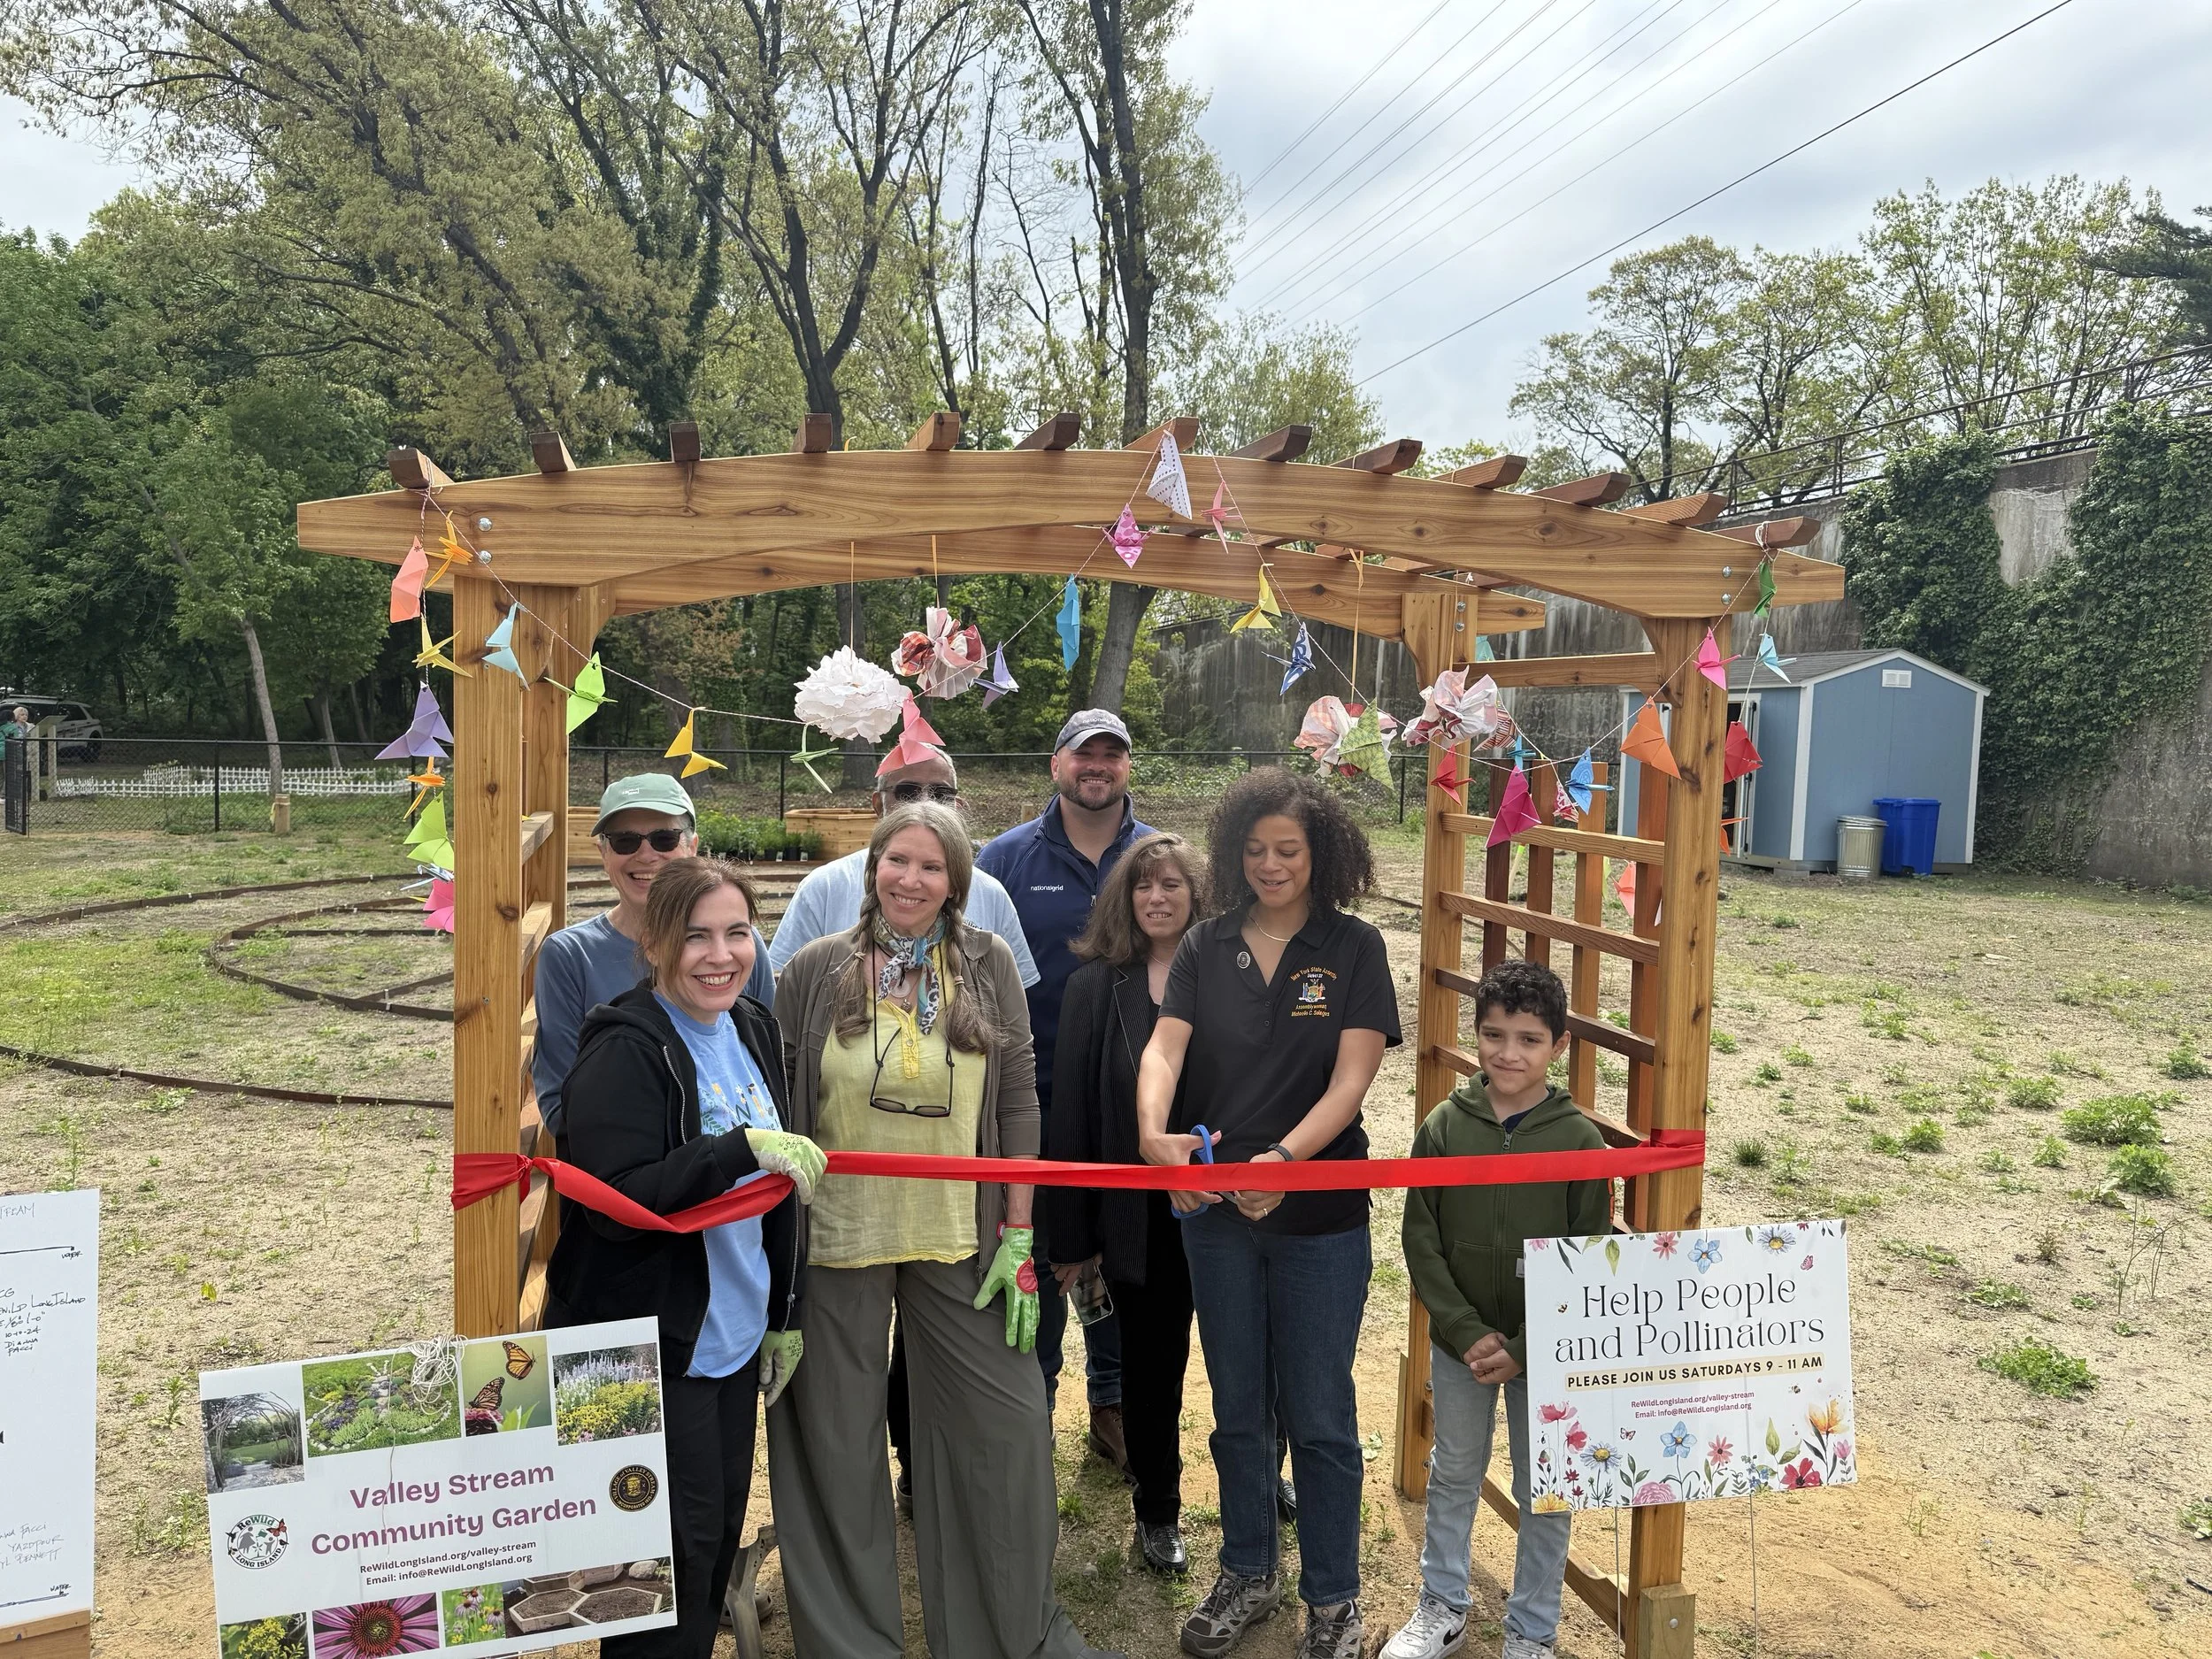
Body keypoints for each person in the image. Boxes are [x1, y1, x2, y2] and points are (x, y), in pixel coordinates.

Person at [767, 803, 1122, 1659]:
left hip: (962, 1237)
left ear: (956, 883)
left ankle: (1010, 1631)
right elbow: (778, 1097)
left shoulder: (989, 963)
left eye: (931, 867)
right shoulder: (815, 970)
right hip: (839, 1239)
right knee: (837, 1445)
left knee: (1002, 1430)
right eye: (896, 861)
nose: (910, 879)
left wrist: (1018, 1230)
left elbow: (1017, 1097)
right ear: (872, 868)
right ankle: (851, 1642)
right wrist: (779, 1256)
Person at [1137, 769, 1401, 1659]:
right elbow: (1164, 1050)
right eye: (1253, 850)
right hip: (1214, 1211)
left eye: (1287, 850)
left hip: (1319, 1218)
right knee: (1238, 1405)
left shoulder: (1354, 946)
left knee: (1321, 1412)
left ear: (1320, 852)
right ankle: (1248, 1570)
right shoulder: (1206, 945)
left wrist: (1289, 1160)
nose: (1269, 865)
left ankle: (1333, 1598)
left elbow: (1353, 1077)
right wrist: (1152, 1135)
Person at [543, 857, 827, 1659]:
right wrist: (735, 1146)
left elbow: (781, 1189)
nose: (720, 954)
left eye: (737, 932)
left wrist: (784, 1316)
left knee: (711, 1539)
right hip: (652, 1345)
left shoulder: (754, 1029)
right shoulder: (626, 1047)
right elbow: (614, 1200)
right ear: (659, 942)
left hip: (733, 1336)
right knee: (664, 1559)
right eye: (696, 935)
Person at [1385, 959, 1609, 1659]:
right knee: (1453, 1470)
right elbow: (1421, 1237)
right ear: (1475, 1034)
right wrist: (1464, 1330)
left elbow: (1588, 1255)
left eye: (1529, 1038)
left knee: (1545, 1486)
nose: (1508, 1052)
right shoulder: (1444, 1127)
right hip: (1461, 1348)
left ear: (1559, 1045)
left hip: (1545, 1352)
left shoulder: (1581, 1143)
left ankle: (1533, 1631)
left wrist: (1524, 1341)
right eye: (1493, 1034)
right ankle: (1441, 1604)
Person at [978, 708, 1155, 1463]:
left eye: (1113, 754)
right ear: (1056, 764)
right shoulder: (1005, 859)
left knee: (1121, 1253)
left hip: (1135, 1103)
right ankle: (1032, 1407)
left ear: (1126, 769)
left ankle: (1112, 1404)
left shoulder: (1156, 858)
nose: (1099, 766)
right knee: (1046, 1258)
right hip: (1036, 1101)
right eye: (1086, 753)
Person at [1045, 832, 1204, 1576]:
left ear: (1197, 893)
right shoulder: (1093, 986)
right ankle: (1158, 1509)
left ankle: (1262, 1477)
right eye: (1144, 886)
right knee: (1152, 1368)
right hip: (1139, 1218)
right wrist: (1074, 1234)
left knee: (1252, 1359)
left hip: (1229, 1207)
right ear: (1123, 898)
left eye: (1173, 883)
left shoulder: (1232, 975)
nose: (1158, 897)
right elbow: (1072, 1112)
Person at [534, 774, 773, 1140]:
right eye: (625, 840)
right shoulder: (570, 956)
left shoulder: (741, 949)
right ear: (604, 854)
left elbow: (767, 1064)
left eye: (664, 838)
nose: (646, 854)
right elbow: (561, 1101)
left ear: (692, 846)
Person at [769, 744, 1038, 986]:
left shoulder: (990, 893)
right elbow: (784, 987)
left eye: (940, 793)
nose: (924, 803)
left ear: (956, 806)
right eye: (907, 792)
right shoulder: (825, 887)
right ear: (878, 805)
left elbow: (1013, 1007)